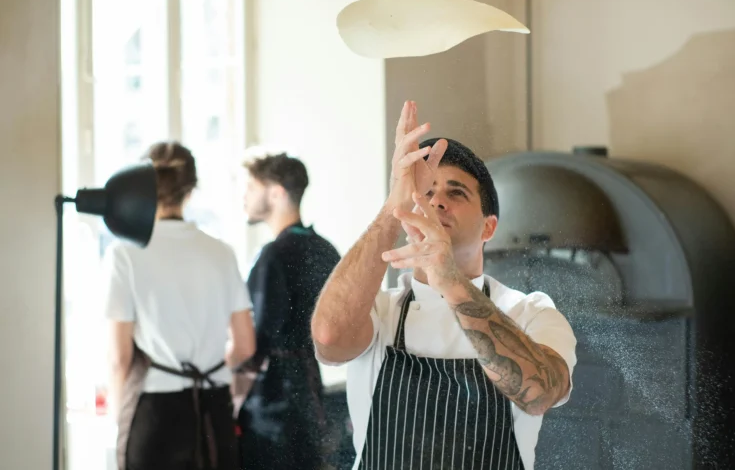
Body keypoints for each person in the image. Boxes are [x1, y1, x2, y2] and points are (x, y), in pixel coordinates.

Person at [311, 101, 577, 470]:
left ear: (488, 227)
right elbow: (328, 340)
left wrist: (449, 279)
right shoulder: (379, 312)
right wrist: (394, 204)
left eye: (456, 193)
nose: (436, 202)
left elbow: (539, 394)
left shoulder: (531, 312)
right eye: (426, 193)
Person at [104, 141, 256, 470]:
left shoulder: (126, 254)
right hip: (213, 411)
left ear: (141, 187)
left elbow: (119, 359)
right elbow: (244, 346)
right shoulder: (221, 253)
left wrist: (119, 420)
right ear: (191, 189)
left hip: (153, 414)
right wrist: (213, 367)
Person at [237, 151, 342, 470]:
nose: (245, 197)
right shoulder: (325, 250)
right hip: (312, 402)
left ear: (276, 192)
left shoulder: (272, 256)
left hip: (272, 411)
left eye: (252, 187)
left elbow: (257, 342)